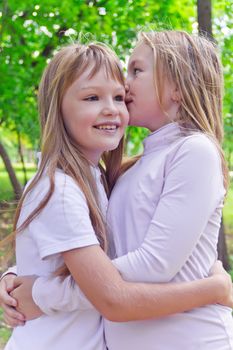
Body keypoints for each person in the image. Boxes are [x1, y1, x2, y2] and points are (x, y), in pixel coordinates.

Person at [0, 33, 233, 350]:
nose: (126, 84)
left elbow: (149, 265)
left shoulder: (193, 150)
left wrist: (44, 293)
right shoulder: (117, 172)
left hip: (190, 340)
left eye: (136, 71)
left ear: (178, 87)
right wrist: (18, 275)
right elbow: (97, 254)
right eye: (93, 97)